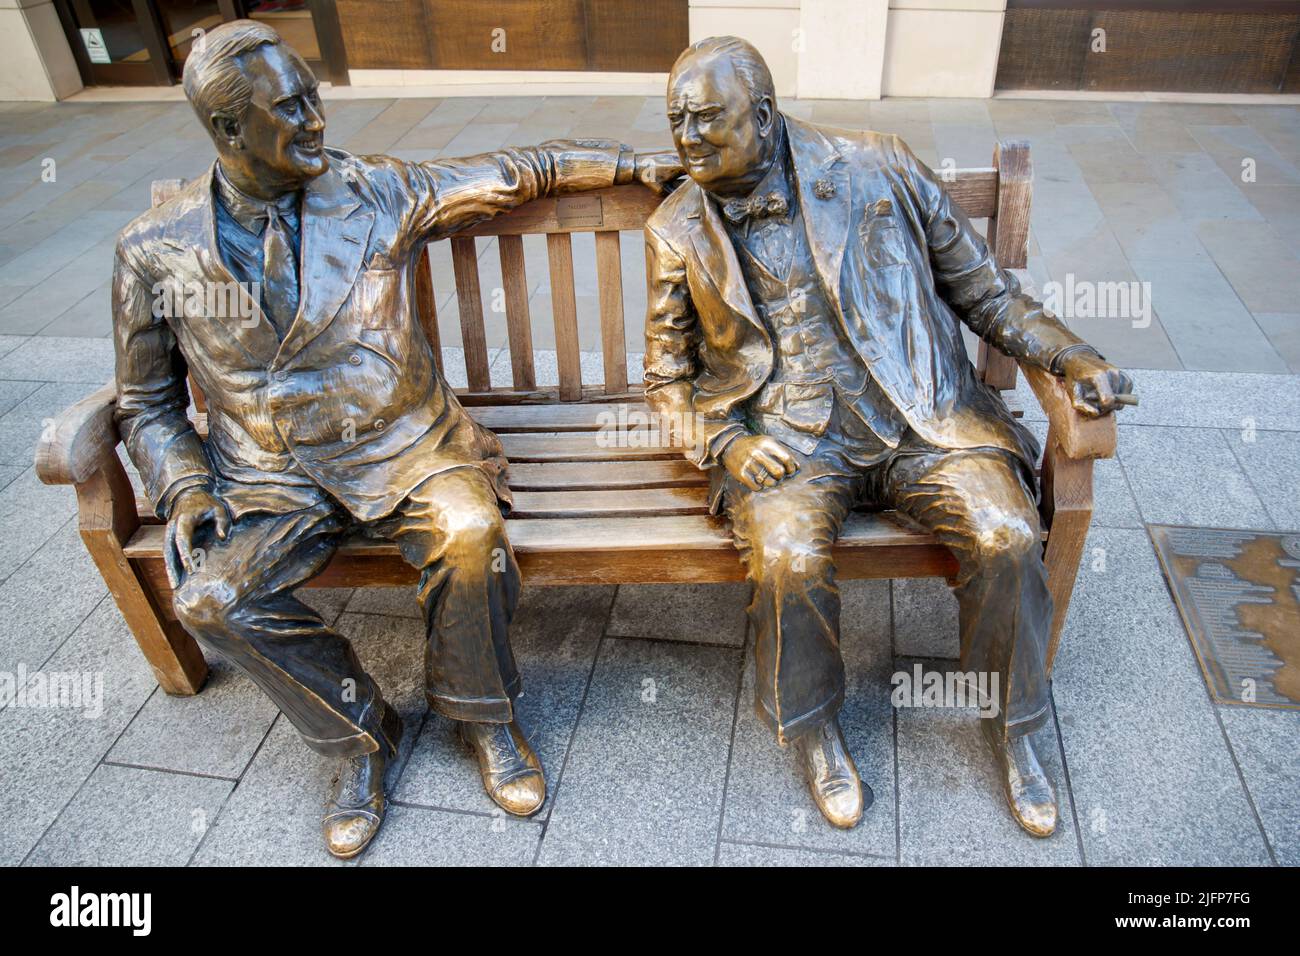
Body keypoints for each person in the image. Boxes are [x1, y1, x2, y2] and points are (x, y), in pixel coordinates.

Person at [113, 19, 680, 858]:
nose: (317, 120)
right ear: (230, 130)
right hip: (268, 480)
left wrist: (633, 166)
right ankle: (359, 734)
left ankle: (480, 715)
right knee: (209, 600)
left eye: (314, 97)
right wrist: (185, 487)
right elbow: (144, 401)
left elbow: (516, 172)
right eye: (291, 108)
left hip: (407, 448)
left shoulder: (375, 191)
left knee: (470, 530)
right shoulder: (153, 250)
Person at [643, 36, 1135, 835]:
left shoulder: (879, 164)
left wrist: (1070, 352)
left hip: (923, 418)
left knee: (1010, 535)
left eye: (707, 121)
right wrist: (725, 442)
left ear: (763, 117)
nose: (688, 140)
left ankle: (1013, 732)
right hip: (788, 435)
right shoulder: (676, 228)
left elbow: (986, 292)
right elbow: (663, 377)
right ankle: (812, 729)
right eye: (676, 122)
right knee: (788, 556)